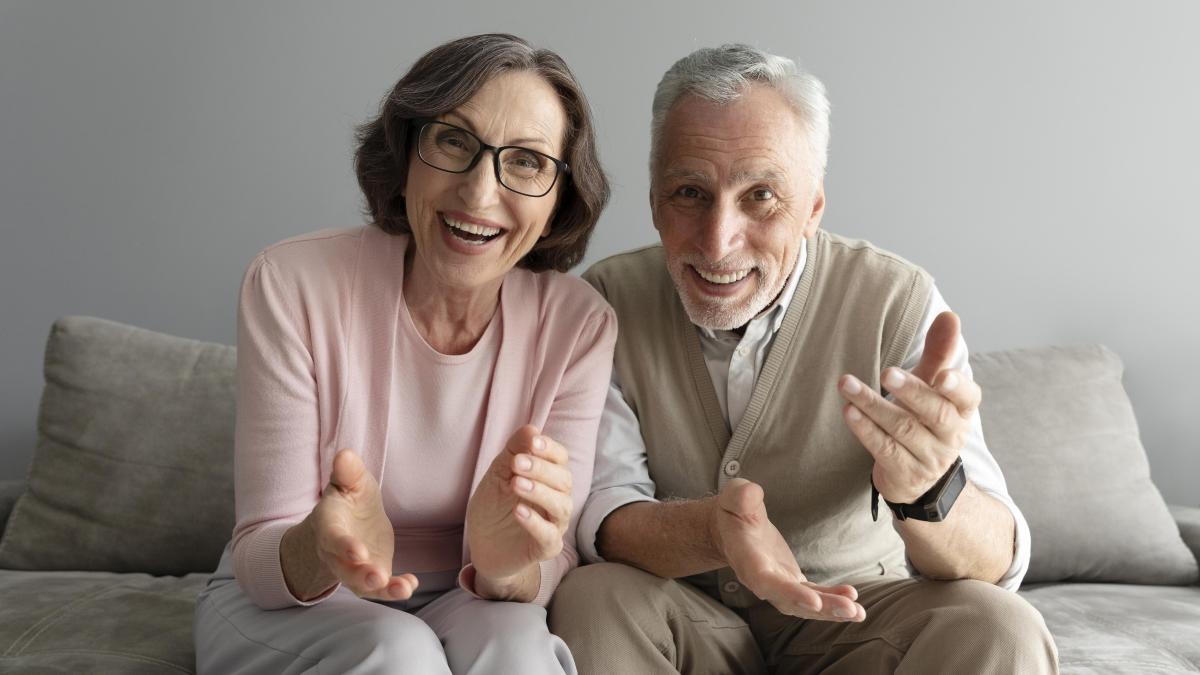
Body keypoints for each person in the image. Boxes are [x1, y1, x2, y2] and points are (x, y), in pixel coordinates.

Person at [549, 44, 1059, 674]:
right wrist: (713, 532)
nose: (718, 241)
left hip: (856, 624)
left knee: (1001, 628)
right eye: (690, 193)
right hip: (685, 621)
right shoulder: (605, 303)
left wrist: (929, 489)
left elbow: (995, 561)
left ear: (813, 206)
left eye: (761, 195)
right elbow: (603, 515)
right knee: (593, 597)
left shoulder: (896, 302)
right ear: (654, 200)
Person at [193, 33, 616, 675]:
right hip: (291, 602)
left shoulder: (579, 325)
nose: (479, 194)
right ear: (406, 150)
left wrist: (506, 566)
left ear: (561, 196)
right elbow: (261, 552)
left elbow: (550, 557)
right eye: (454, 141)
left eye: (528, 161)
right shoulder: (293, 282)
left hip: (470, 598)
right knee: (398, 652)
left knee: (519, 652)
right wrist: (325, 545)